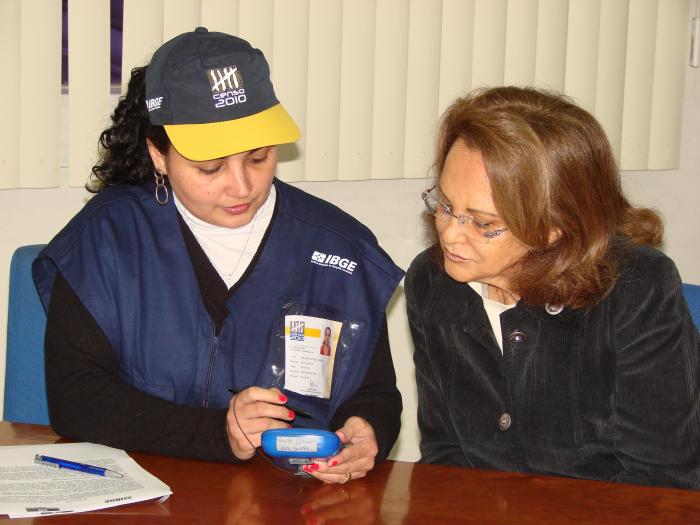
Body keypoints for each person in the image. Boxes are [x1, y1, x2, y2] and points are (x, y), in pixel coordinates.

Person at [33, 28, 404, 484]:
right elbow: (76, 398)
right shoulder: (108, 238)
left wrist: (368, 431)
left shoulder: (338, 250)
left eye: (258, 158)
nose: (241, 187)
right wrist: (218, 433)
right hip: (140, 500)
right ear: (159, 154)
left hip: (288, 502)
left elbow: (375, 393)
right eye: (210, 168)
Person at [405, 86, 700, 488]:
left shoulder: (635, 289)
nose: (450, 236)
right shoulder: (432, 281)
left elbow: (662, 481)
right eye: (446, 206)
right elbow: (446, 454)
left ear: (554, 227)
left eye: (483, 223)